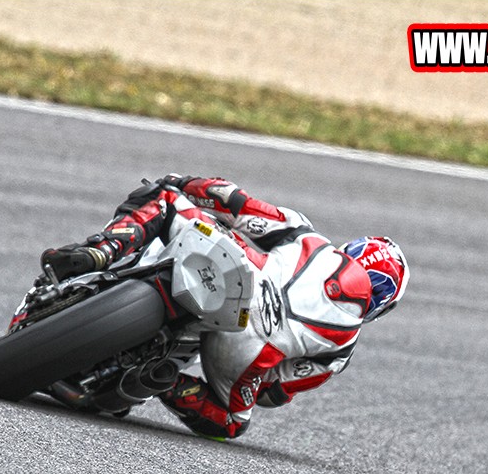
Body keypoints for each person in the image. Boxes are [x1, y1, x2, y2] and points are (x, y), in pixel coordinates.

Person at [40, 174, 410, 440]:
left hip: (238, 268)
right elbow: (274, 393)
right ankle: (159, 380)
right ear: (381, 306)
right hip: (241, 349)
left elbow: (235, 202)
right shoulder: (342, 350)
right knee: (232, 422)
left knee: (165, 197)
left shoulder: (309, 238)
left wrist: (185, 184)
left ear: (349, 251)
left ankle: (102, 251)